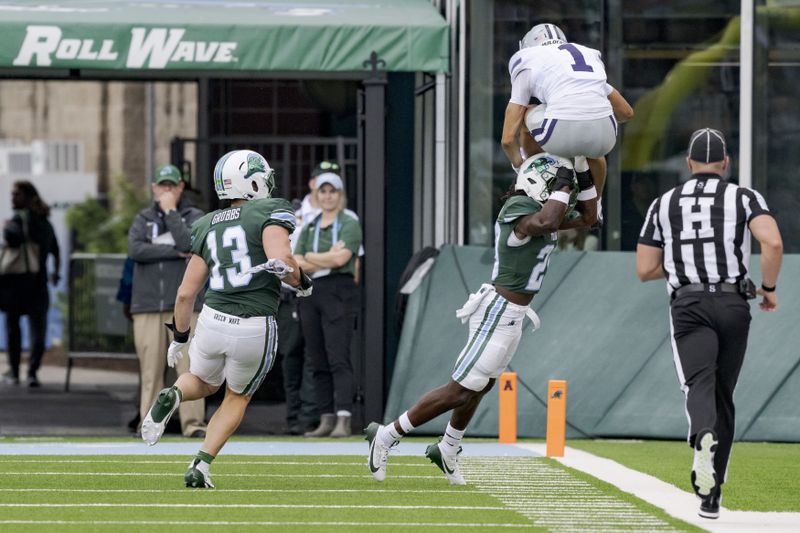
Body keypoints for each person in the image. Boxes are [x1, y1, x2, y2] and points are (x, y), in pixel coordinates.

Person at [366, 152, 598, 484]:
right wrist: (563, 175)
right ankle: (387, 435)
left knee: (481, 387)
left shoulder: (543, 209)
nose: (562, 194)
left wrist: (581, 171)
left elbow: (590, 216)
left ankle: (448, 448)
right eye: (555, 187)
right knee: (460, 390)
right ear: (537, 185)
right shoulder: (517, 210)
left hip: (513, 314)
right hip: (497, 311)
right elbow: (547, 222)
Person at [140, 149, 312, 488]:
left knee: (202, 382)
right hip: (253, 322)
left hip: (213, 319)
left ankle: (173, 394)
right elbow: (282, 261)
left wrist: (179, 338)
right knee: (237, 396)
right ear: (252, 181)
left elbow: (185, 293)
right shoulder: (269, 209)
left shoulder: (206, 223)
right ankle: (200, 465)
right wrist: (301, 281)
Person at [636, 128, 783, 519]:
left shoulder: (663, 203)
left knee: (699, 383)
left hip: (690, 302)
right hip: (735, 301)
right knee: (723, 393)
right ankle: (712, 495)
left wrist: (686, 260)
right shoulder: (743, 196)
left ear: (688, 164)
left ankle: (702, 438)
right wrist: (768, 288)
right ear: (725, 163)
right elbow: (772, 242)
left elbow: (645, 268)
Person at [501, 22, 634, 198]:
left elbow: (508, 139)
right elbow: (626, 113)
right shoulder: (587, 55)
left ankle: (540, 179)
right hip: (605, 137)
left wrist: (520, 166)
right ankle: (596, 203)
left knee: (527, 111)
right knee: (592, 145)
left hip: (559, 132)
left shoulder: (527, 58)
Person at [128, 164, 207, 438]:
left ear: (181, 187)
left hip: (185, 307)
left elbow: (189, 242)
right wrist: (173, 252)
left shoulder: (194, 215)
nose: (166, 190)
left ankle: (193, 424)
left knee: (191, 368)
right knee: (150, 369)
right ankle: (147, 423)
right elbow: (136, 249)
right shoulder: (142, 217)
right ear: (154, 187)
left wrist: (172, 212)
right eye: (162, 185)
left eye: (172, 185)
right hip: (148, 305)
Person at [294, 172, 363, 438]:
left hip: (338, 289)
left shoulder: (349, 222)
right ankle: (326, 418)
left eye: (332, 191)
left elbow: (342, 259)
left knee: (338, 356)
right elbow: (296, 260)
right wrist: (324, 256)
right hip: (311, 291)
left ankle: (344, 418)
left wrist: (314, 257)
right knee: (317, 358)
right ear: (316, 194)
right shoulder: (310, 225)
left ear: (340, 195)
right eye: (322, 191)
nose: (327, 196)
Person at [0, 181, 60, 387]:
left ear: (26, 197)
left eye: (16, 194)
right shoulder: (45, 222)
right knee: (38, 329)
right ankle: (33, 371)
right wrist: (57, 273)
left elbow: (14, 239)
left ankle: (14, 372)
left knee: (12, 327)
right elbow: (56, 250)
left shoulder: (19, 219)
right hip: (39, 283)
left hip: (16, 284)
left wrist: (6, 229)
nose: (12, 198)